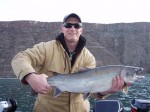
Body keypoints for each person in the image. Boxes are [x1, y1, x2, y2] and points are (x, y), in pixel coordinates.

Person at [11, 13, 125, 112]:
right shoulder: (46, 48)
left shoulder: (89, 57)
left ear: (81, 30)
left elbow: (93, 91)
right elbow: (20, 58)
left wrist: (106, 91)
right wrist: (31, 77)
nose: (72, 28)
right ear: (62, 28)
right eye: (68, 25)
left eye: (77, 25)